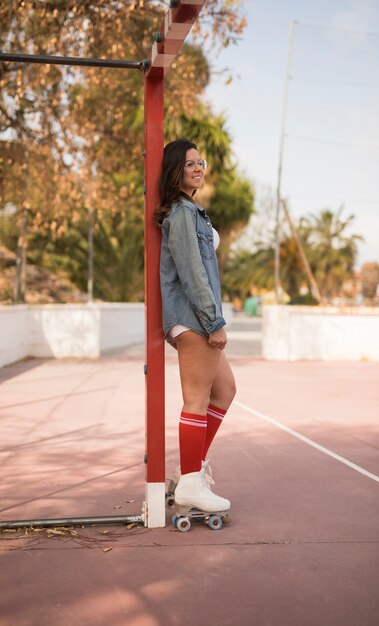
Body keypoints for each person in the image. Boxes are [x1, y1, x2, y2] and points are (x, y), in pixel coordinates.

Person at [154, 138, 236, 514]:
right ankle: (189, 483)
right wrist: (213, 322)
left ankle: (189, 471)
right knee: (197, 402)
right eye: (189, 164)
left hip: (197, 319)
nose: (198, 167)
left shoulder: (193, 212)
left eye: (200, 162)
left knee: (225, 390)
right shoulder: (183, 214)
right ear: (175, 171)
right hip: (193, 319)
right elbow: (192, 274)